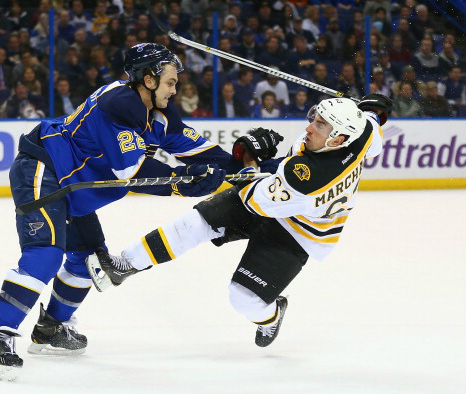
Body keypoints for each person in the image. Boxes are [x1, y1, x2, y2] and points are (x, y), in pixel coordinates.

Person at [0, 43, 272, 381]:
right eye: (171, 82)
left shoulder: (159, 114)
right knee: (44, 255)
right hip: (44, 169)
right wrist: (182, 183)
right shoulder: (118, 105)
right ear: (148, 79)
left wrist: (250, 157)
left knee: (87, 259)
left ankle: (51, 327)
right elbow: (130, 172)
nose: (176, 90)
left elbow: (205, 155)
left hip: (75, 187)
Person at [87, 94, 393, 349]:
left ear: (338, 138)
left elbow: (255, 197)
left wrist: (250, 160)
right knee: (195, 223)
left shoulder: (309, 179)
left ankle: (272, 315)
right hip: (278, 195)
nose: (310, 127)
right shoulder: (361, 133)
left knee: (244, 299)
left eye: (321, 124)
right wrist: (373, 110)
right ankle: (125, 264)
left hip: (298, 231)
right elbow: (371, 124)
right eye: (315, 118)